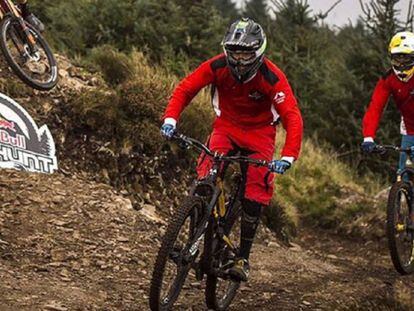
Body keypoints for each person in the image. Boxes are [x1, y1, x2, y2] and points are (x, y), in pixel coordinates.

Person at [160, 18, 303, 282]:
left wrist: (288, 156)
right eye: (234, 51)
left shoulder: (272, 77)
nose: (238, 58)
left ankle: (242, 258)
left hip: (260, 133)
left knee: (255, 192)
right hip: (226, 126)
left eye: (246, 52)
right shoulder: (217, 65)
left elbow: (292, 117)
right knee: (205, 178)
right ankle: (195, 240)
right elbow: (185, 89)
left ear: (258, 51)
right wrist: (170, 119)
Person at [361, 31, 414, 175]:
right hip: (409, 127)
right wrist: (368, 137)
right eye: (397, 59)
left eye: (406, 59)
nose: (401, 64)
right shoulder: (388, 80)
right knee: (404, 172)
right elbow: (375, 108)